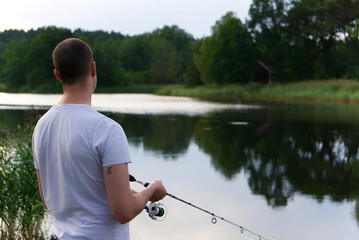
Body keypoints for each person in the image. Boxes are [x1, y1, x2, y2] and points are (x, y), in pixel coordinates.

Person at [32, 38, 167, 240]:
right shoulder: (107, 130)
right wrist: (152, 190)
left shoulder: (41, 126)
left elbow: (49, 200)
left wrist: (115, 190)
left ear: (58, 75)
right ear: (93, 68)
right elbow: (123, 212)